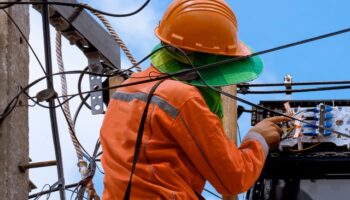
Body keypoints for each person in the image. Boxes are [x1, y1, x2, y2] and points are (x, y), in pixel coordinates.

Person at [99, 0, 287, 199]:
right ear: (209, 58)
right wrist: (258, 139)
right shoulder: (183, 99)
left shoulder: (127, 88)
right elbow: (234, 178)